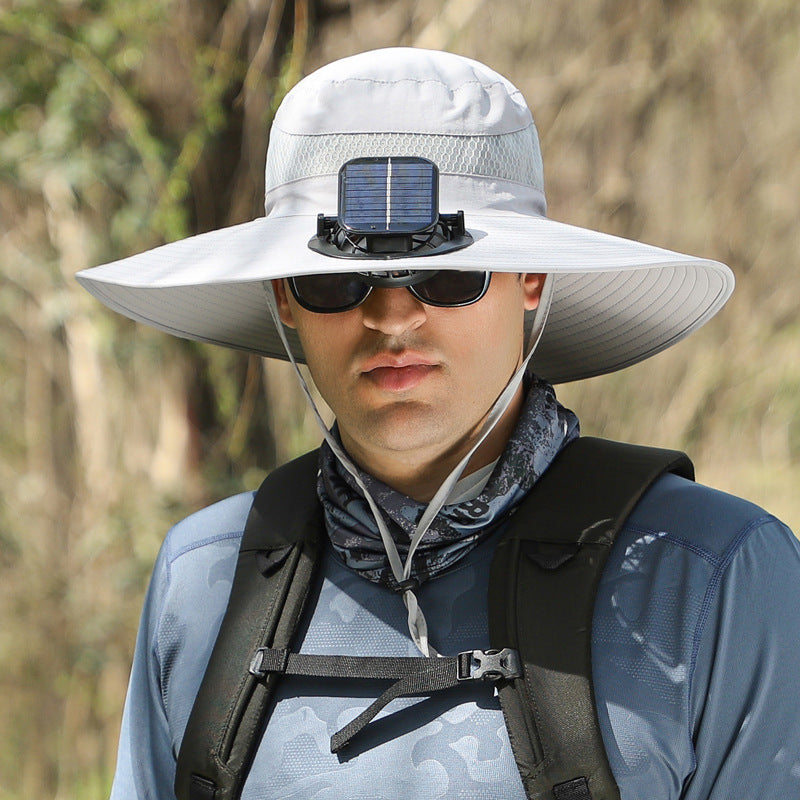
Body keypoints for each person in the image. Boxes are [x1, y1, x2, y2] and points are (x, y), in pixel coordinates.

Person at [77, 48, 800, 800]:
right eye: (335, 279)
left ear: (532, 279)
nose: (391, 316)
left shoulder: (713, 576)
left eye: (448, 273)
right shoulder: (204, 581)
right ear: (283, 298)